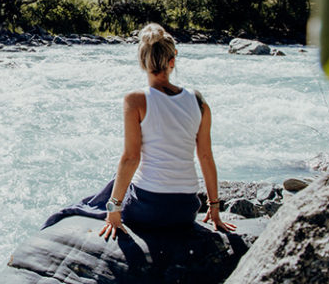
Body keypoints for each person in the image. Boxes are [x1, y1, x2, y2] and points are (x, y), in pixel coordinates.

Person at [42, 23, 235, 238]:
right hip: (185, 210)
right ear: (172, 61)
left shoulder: (135, 100)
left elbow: (131, 158)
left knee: (110, 186)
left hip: (147, 210)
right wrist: (214, 208)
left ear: (142, 62)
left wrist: (114, 209)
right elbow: (206, 156)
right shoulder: (198, 102)